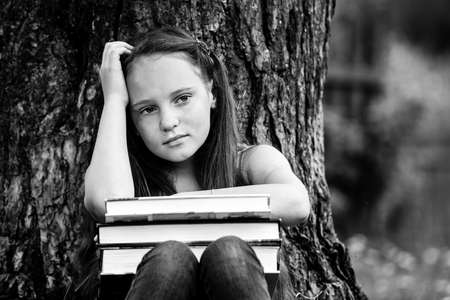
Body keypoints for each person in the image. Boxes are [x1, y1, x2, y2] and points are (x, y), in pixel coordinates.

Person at [82, 26, 310, 300]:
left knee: (229, 252)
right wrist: (115, 99)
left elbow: (297, 204)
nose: (168, 122)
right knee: (170, 258)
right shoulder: (124, 175)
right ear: (132, 120)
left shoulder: (250, 162)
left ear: (212, 93)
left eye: (182, 98)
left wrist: (182, 205)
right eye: (147, 109)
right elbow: (107, 204)